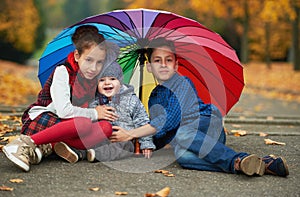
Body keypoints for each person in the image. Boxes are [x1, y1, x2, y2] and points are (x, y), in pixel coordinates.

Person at [110, 37, 289, 177]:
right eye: (157, 60)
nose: (163, 64)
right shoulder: (154, 97)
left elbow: (168, 121)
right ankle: (255, 165)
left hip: (207, 126)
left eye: (168, 60)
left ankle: (237, 158)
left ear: (176, 65)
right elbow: (161, 133)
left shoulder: (182, 83)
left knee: (183, 133)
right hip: (192, 142)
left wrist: (133, 133)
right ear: (149, 67)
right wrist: (144, 143)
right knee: (182, 156)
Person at [2, 25, 119, 172]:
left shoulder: (96, 80)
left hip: (70, 126)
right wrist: (95, 113)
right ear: (77, 56)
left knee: (106, 128)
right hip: (44, 120)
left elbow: (102, 113)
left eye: (99, 62)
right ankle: (26, 144)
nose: (93, 68)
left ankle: (50, 147)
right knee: (83, 124)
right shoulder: (63, 71)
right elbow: (64, 111)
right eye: (89, 60)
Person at [54, 61, 155, 162]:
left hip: (124, 139)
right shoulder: (95, 101)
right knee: (91, 140)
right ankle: (78, 152)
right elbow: (90, 118)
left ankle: (94, 154)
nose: (107, 83)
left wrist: (146, 143)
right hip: (102, 138)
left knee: (125, 147)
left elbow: (143, 122)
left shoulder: (131, 100)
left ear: (120, 81)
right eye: (101, 80)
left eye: (112, 79)